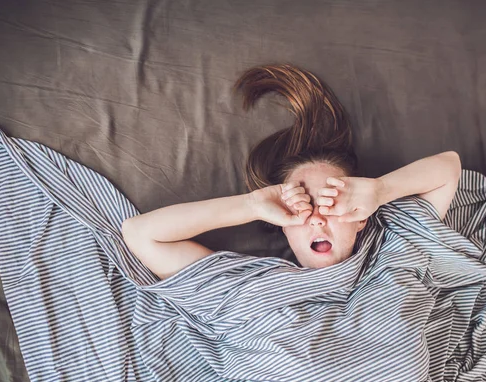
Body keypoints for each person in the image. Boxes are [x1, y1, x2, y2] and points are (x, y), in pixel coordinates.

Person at [121, 64, 461, 280]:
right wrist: (252, 205)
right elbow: (140, 233)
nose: (316, 218)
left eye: (332, 200)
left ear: (361, 218)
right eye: (302, 204)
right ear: (283, 228)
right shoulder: (250, 286)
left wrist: (380, 190)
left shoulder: (393, 256)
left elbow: (449, 166)